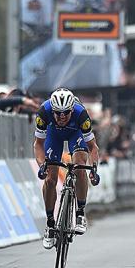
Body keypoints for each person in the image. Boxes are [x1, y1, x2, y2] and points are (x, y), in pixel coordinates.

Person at [34, 88, 100, 249]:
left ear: (72, 109)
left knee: (79, 167)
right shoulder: (44, 112)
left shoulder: (81, 114)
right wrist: (42, 165)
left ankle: (80, 214)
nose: (62, 117)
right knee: (50, 179)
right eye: (58, 113)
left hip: (75, 134)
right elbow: (38, 145)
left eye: (66, 113)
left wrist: (93, 169)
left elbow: (93, 147)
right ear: (52, 110)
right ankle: (50, 224)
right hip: (53, 135)